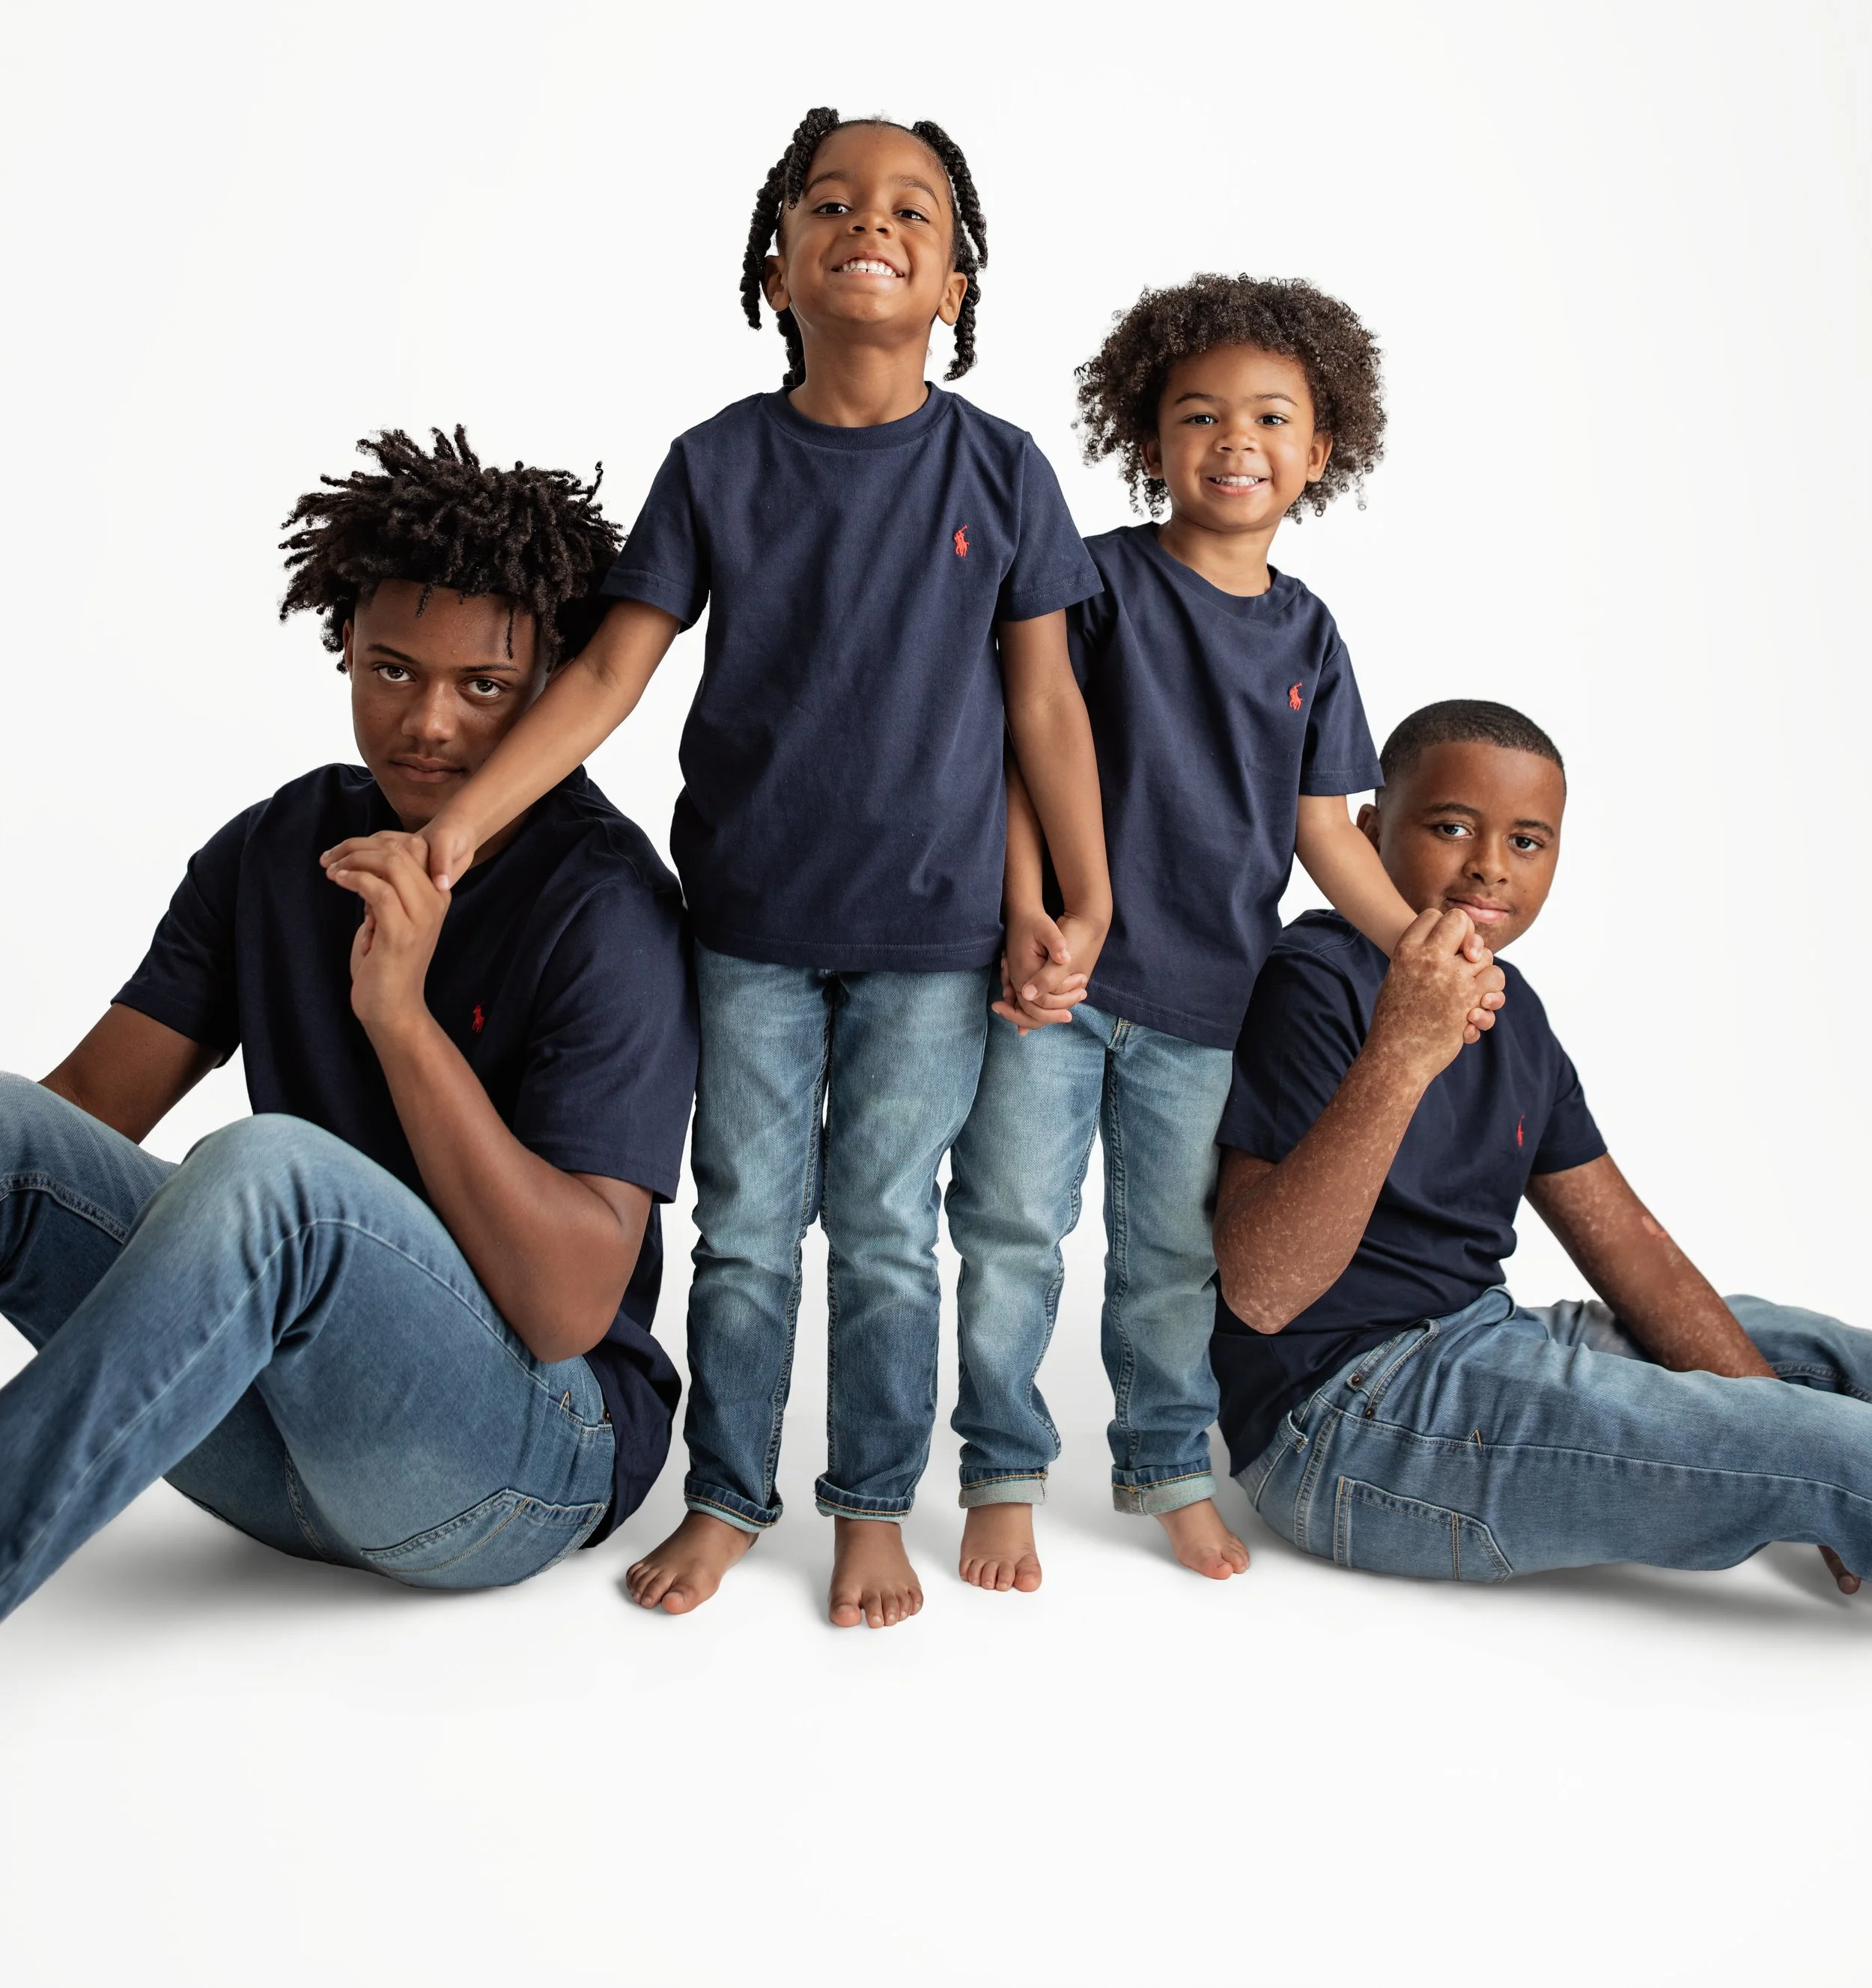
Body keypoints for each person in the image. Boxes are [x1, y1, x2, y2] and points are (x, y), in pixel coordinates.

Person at [381, 112, 1108, 1630]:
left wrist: (1077, 894)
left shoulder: (1001, 467)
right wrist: (465, 820)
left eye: (913, 207)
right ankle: (724, 1494)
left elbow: (1043, 700)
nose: (872, 219)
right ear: (777, 265)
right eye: (831, 199)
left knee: (890, 1229)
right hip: (750, 927)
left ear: (955, 285)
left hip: (935, 937)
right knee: (745, 1228)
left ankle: (866, 1505)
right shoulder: (717, 461)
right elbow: (603, 678)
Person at [0, 430, 697, 1623]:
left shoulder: (606, 904)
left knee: (275, 1172)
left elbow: (567, 1309)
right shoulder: (278, 847)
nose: (428, 722)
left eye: (482, 686)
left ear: (550, 690)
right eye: (391, 670)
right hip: (272, 1443)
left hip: (517, 1469)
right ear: (344, 653)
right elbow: (70, 1138)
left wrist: (399, 1019)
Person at [948, 276, 1496, 1593]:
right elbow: (1022, 755)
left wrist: (1426, 945)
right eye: (1198, 414)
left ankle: (1167, 1467)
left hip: (1207, 1005)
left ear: (1320, 451)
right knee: (1014, 1224)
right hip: (1062, 983)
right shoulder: (1094, 582)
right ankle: (1002, 1473)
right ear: (1150, 438)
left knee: (1168, 1256)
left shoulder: (1310, 632)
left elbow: (1324, 832)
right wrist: (1028, 916)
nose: (1233, 440)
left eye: (1268, 417)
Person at [1212, 697, 1866, 1595]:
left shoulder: (1513, 1010)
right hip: (1341, 1420)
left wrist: (1780, 1430)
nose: (1488, 867)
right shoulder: (1315, 979)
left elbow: (1632, 1246)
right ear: (1367, 832)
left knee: (1834, 1362)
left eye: (1527, 841)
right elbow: (1261, 1290)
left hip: (1481, 1338)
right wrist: (1402, 1049)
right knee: (1832, 1444)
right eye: (1450, 826)